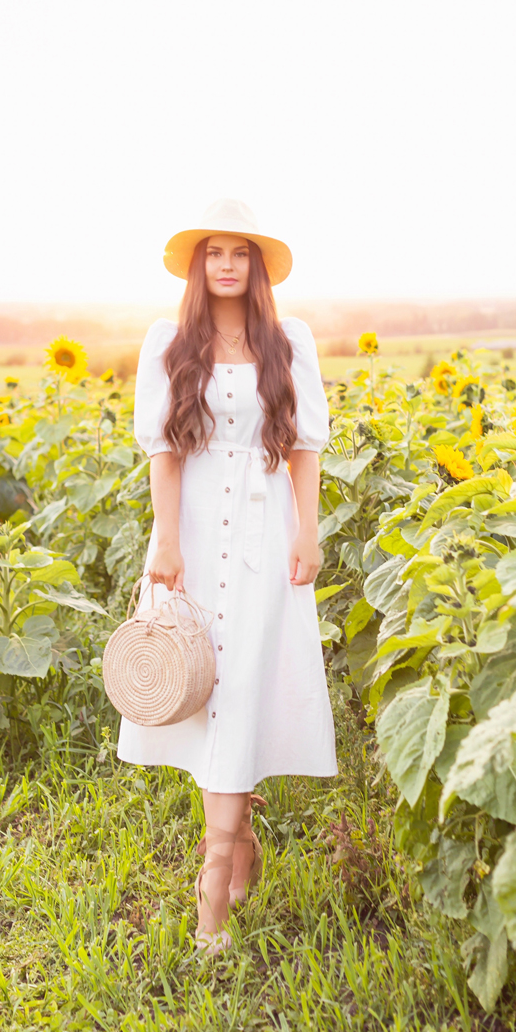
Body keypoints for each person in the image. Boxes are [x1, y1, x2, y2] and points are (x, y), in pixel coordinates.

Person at [117, 198, 337, 954]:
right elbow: (165, 452)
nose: (226, 264)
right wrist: (166, 541)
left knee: (247, 679)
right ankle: (234, 837)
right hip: (193, 532)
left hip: (264, 533)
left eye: (239, 252)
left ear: (255, 265)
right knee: (201, 683)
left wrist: (308, 528)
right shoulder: (170, 341)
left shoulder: (288, 340)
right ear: (198, 264)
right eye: (214, 251)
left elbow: (304, 446)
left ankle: (216, 871)